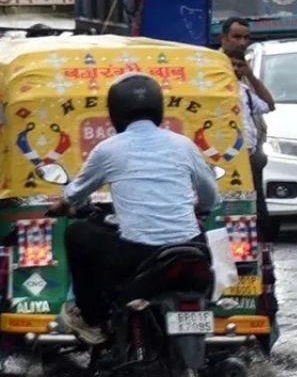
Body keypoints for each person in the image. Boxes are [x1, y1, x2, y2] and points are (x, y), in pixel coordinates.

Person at [52, 75, 219, 345]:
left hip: (138, 255)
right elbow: (211, 195)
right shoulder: (184, 145)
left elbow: (75, 194)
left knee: (78, 235)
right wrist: (202, 209)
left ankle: (93, 319)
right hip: (192, 249)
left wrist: (65, 206)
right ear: (158, 107)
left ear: (115, 112)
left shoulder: (107, 150)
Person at [219, 18, 275, 240]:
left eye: (246, 37)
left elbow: (268, 105)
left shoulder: (245, 69)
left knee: (256, 210)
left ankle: (260, 256)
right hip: (228, 157)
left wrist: (249, 74)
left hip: (252, 152)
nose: (242, 42)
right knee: (235, 209)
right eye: (236, 37)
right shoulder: (213, 68)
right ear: (224, 38)